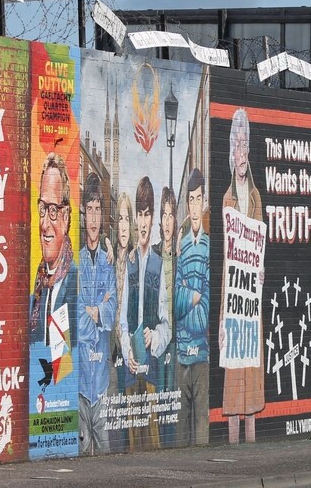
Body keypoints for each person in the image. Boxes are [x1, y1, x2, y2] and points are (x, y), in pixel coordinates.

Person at [219, 108, 265, 444]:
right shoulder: (228, 199)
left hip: (252, 299)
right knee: (235, 384)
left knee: (252, 386)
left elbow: (259, 245)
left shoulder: (255, 196)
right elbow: (227, 256)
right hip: (234, 297)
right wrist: (224, 318)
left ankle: (253, 453)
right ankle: (234, 452)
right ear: (231, 153)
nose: (241, 154)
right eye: (236, 147)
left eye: (245, 146)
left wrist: (260, 271)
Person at [119, 176, 166, 450]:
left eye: (148, 215)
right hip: (130, 369)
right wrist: (127, 354)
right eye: (140, 214)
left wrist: (155, 337)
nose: (144, 221)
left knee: (152, 433)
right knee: (133, 441)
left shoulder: (158, 264)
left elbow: (166, 323)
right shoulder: (129, 262)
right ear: (136, 219)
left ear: (152, 218)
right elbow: (123, 322)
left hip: (150, 368)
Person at [30, 153, 78, 394]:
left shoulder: (72, 283)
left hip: (59, 398)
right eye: (42, 209)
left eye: (53, 210)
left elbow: (65, 366)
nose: (45, 224)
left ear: (66, 216)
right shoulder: (38, 289)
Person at [77, 172, 117, 455]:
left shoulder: (107, 262)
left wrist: (99, 311)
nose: (92, 218)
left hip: (101, 382)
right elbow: (77, 318)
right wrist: (95, 314)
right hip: (80, 381)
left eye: (97, 210)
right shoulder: (76, 262)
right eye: (88, 210)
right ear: (83, 216)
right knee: (81, 454)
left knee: (104, 454)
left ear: (103, 216)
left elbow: (112, 311)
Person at [174, 168, 209, 447]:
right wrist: (190, 295)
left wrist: (191, 296)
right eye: (191, 200)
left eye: (199, 199)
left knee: (201, 433)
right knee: (180, 435)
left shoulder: (208, 248)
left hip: (202, 356)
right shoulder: (183, 247)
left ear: (204, 201)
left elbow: (203, 318)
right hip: (181, 355)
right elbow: (176, 302)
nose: (194, 207)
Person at [107, 192, 133, 451]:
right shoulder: (111, 256)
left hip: (131, 348)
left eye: (128, 219)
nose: (123, 225)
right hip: (113, 347)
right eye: (120, 219)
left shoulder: (137, 258)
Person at [154, 185, 178, 447]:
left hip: (177, 338)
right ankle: (163, 443)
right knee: (161, 393)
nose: (167, 221)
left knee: (173, 393)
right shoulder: (156, 253)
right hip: (161, 336)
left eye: (171, 215)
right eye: (164, 215)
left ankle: (172, 441)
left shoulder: (179, 254)